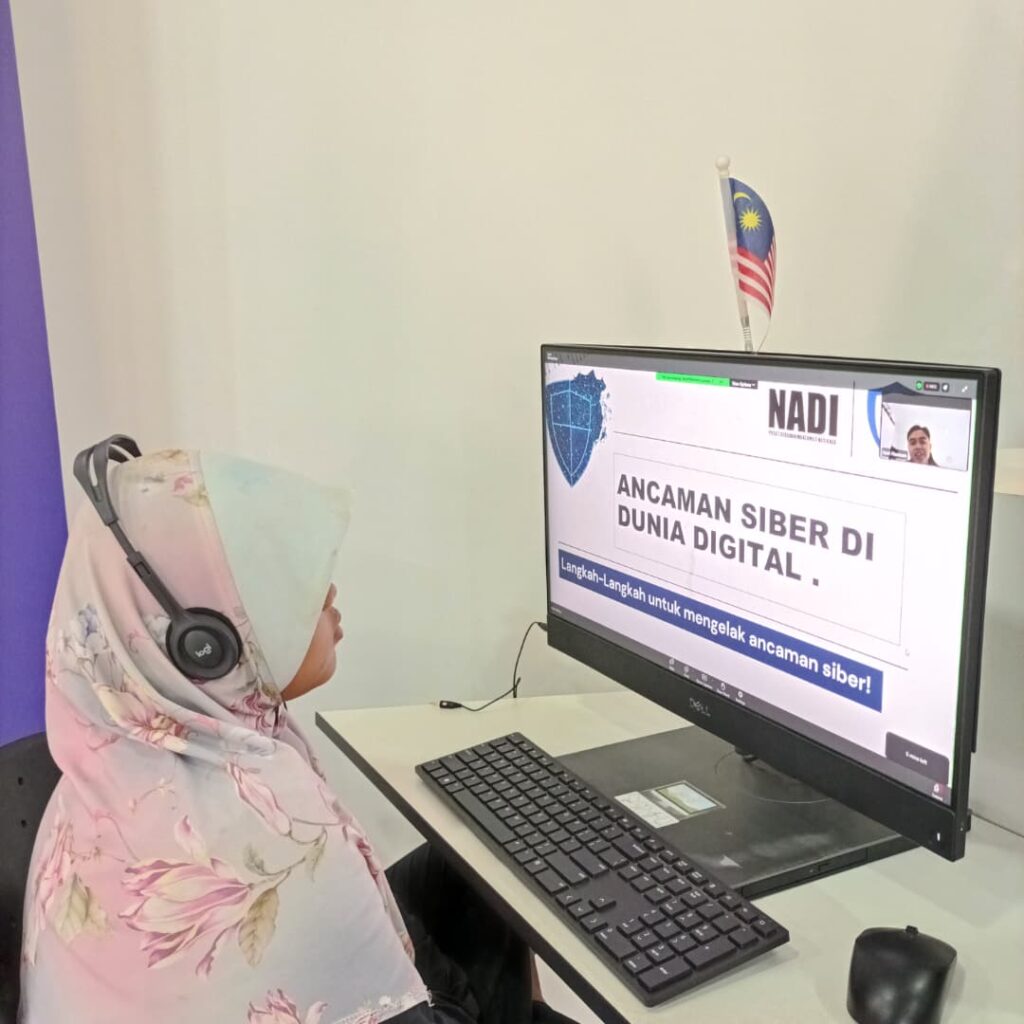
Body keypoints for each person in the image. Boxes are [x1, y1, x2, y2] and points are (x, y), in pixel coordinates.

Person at [20, 443, 576, 1024]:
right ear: (203, 644)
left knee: (485, 866)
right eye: (284, 579)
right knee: (514, 888)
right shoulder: (267, 844)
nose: (328, 593)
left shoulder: (119, 763)